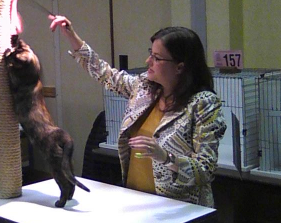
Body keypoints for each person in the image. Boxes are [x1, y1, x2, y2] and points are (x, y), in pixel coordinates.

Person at [49, 16, 226, 207]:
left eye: (157, 58)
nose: (148, 61)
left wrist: (166, 157)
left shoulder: (203, 104)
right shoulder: (145, 88)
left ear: (180, 67)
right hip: (137, 199)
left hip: (177, 208)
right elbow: (105, 74)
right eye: (151, 53)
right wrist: (71, 35)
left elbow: (204, 170)